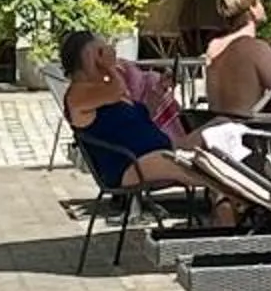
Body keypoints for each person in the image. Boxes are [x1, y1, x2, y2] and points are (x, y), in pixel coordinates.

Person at [59, 30, 227, 212]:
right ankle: (234, 207)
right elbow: (117, 90)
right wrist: (109, 67)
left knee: (222, 126)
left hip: (161, 151)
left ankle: (235, 203)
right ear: (88, 57)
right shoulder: (77, 94)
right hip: (129, 166)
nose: (108, 55)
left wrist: (156, 96)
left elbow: (138, 118)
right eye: (101, 52)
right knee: (209, 172)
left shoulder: (102, 89)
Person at [205, 0, 271, 118]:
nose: (264, 7)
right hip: (245, 132)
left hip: (215, 129)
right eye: (260, 2)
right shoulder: (257, 48)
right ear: (252, 8)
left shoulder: (213, 47)